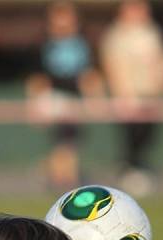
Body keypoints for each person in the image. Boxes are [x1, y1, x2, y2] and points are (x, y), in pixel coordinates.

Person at [26, 1, 102, 189]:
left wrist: (94, 100)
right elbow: (37, 79)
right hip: (54, 98)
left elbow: (89, 76)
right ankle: (63, 178)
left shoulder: (84, 43)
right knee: (64, 141)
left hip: (75, 100)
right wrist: (34, 103)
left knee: (70, 142)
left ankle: (61, 176)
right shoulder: (42, 43)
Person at [100, 0, 163, 196]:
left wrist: (161, 85)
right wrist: (122, 95)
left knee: (148, 135)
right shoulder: (116, 35)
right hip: (129, 96)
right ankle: (129, 171)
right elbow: (112, 65)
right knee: (132, 137)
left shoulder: (151, 32)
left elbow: (160, 60)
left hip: (150, 94)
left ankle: (140, 170)